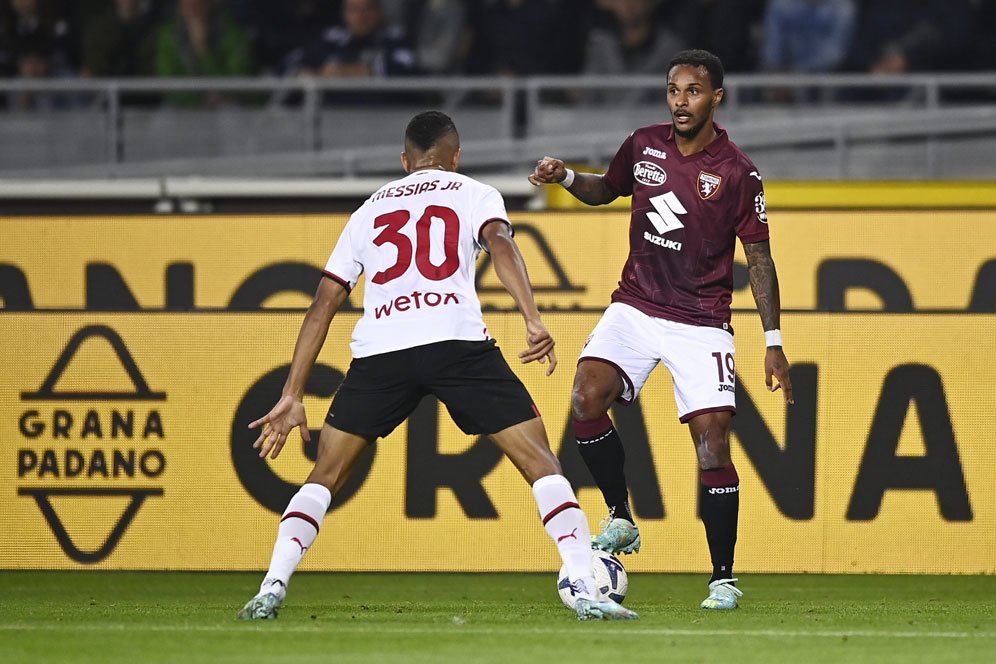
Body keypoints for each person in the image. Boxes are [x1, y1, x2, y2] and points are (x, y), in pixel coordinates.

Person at [237, 111, 638, 623]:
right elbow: (501, 245)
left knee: (325, 475)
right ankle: (584, 587)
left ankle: (272, 585)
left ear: (405, 162)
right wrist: (532, 319)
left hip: (382, 351)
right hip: (455, 344)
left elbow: (325, 300)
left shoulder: (366, 211)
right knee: (541, 464)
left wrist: (293, 392)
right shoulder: (474, 192)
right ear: (456, 156)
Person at [528, 49, 794, 610]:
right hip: (636, 305)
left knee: (712, 446)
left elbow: (760, 259)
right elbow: (606, 190)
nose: (680, 101)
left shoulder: (738, 172)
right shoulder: (644, 143)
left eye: (693, 91)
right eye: (673, 90)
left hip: (701, 321)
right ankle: (621, 517)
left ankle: (722, 577)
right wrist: (568, 176)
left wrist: (773, 342)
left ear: (716, 97)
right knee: (585, 395)